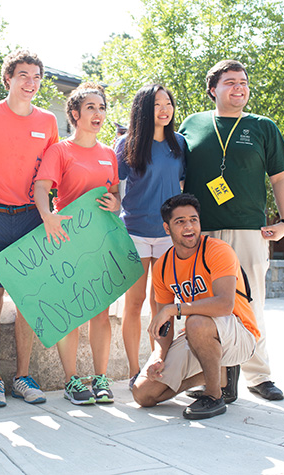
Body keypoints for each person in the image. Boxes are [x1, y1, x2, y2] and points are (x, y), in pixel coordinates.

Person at [178, 60, 284, 401]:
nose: (239, 88)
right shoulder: (193, 124)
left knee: (251, 303)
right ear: (213, 89)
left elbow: (280, 178)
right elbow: (179, 175)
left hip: (249, 231)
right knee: (205, 305)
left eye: (243, 82)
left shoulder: (263, 127)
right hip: (203, 233)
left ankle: (259, 376)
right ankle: (212, 377)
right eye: (230, 82)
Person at [0, 49, 58, 408]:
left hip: (32, 219)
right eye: (23, 75)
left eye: (36, 77)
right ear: (8, 79)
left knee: (27, 302)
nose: (30, 83)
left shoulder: (48, 120)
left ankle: (22, 376)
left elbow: (51, 173)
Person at [131, 194, 259, 420]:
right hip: (198, 335)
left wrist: (175, 309)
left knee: (196, 321)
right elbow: (165, 325)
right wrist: (158, 355)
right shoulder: (162, 267)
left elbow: (224, 305)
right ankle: (218, 376)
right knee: (143, 394)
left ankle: (213, 396)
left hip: (240, 333)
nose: (189, 226)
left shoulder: (217, 250)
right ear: (167, 228)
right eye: (180, 222)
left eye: (194, 220)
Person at [34, 83, 120, 405]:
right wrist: (48, 216)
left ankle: (100, 378)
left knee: (101, 314)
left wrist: (116, 204)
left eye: (102, 108)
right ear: (74, 114)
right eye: (91, 108)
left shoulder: (109, 153)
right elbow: (42, 188)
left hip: (102, 242)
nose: (98, 114)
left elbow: (114, 194)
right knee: (71, 313)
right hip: (67, 241)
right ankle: (72, 381)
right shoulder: (60, 151)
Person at [114, 84, 186, 388]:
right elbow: (115, 188)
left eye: (168, 103)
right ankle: (134, 370)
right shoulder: (126, 143)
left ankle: (159, 364)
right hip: (135, 233)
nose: (165, 109)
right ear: (144, 108)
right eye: (158, 104)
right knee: (135, 301)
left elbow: (182, 186)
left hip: (169, 235)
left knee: (163, 303)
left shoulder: (180, 143)